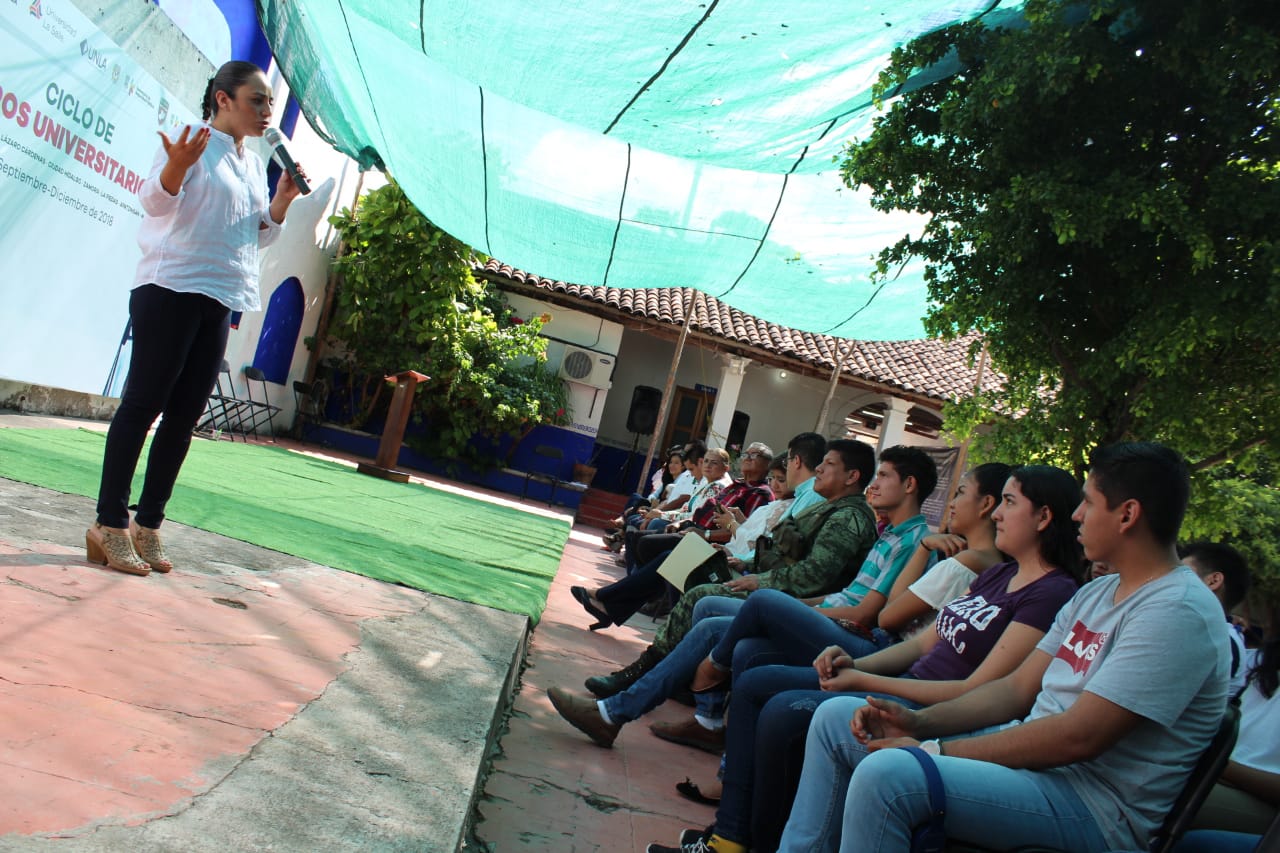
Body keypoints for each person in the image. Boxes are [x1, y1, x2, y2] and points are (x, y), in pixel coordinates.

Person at [777, 442, 1229, 853]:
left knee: (889, 776)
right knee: (836, 719)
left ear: (1127, 515)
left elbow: (1078, 736)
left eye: (1089, 504)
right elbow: (1014, 691)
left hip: (1094, 807)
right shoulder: (1097, 592)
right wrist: (915, 723)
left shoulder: (1177, 612)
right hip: (1039, 774)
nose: (1077, 515)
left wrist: (930, 749)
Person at [649, 463, 1082, 853]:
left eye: (1009, 503)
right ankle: (730, 836)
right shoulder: (1001, 574)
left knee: (781, 702)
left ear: (1044, 517)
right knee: (754, 676)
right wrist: (855, 667)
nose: (999, 514)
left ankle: (747, 839)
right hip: (899, 675)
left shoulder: (1051, 593)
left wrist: (865, 681)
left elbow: (977, 686)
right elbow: (919, 645)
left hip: (931, 705)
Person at [86, 61, 306, 576]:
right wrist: (175, 168)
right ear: (223, 99)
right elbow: (154, 203)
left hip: (220, 296)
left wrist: (280, 203)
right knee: (144, 405)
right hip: (170, 288)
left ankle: (149, 524)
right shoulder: (191, 141)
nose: (267, 112)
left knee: (184, 418)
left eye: (270, 103)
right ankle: (109, 524)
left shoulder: (252, 163)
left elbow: (253, 236)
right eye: (257, 100)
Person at [580, 435, 872, 699]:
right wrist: (746, 562)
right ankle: (655, 662)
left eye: (829, 464)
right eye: (820, 463)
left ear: (851, 476)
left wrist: (758, 578)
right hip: (758, 570)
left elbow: (812, 576)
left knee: (694, 582)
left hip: (785, 595)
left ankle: (644, 670)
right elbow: (779, 550)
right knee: (681, 558)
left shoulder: (845, 517)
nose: (819, 469)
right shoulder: (827, 506)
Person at [574, 444, 773, 630]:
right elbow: (694, 510)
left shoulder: (761, 494)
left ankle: (611, 599)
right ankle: (615, 604)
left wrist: (706, 533)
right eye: (745, 454)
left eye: (752, 456)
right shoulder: (735, 486)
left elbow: (742, 536)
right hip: (697, 534)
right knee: (656, 550)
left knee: (653, 548)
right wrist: (678, 522)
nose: (746, 458)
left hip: (716, 547)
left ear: (767, 465)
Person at [1189, 613, 1279, 837]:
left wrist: (1220, 764)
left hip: (1259, 803)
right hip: (1206, 769)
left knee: (1164, 792)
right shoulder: (1254, 662)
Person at [1182, 541, 1252, 697]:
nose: (1169, 581)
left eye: (1184, 573)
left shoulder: (1215, 641)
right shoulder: (1216, 635)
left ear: (1213, 581)